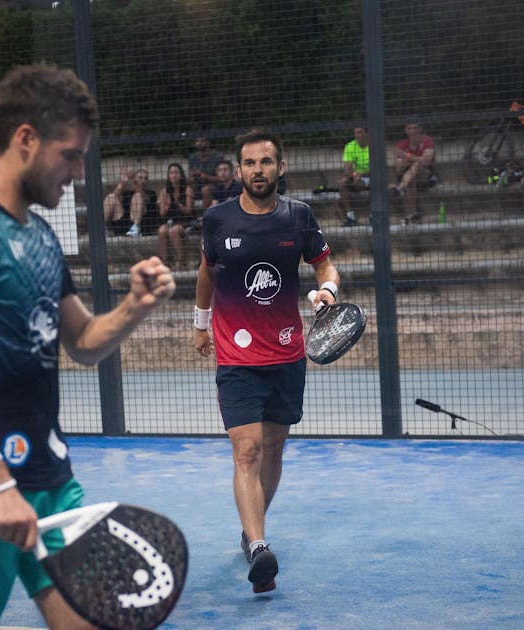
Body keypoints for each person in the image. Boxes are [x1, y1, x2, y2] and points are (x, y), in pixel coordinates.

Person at [0, 63, 175, 630]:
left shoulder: (42, 237)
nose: (78, 172)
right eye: (71, 155)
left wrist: (133, 308)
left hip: (48, 477)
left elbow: (81, 341)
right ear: (25, 139)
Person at [193, 128, 340, 593]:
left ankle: (250, 527)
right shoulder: (217, 220)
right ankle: (259, 547)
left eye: (266, 162)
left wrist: (327, 290)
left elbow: (324, 265)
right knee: (248, 450)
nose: (258, 170)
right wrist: (200, 324)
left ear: (281, 167)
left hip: (286, 353)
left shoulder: (299, 217)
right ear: (238, 171)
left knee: (274, 449)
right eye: (250, 163)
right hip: (236, 358)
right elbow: (205, 271)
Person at [392, 122, 437, 222]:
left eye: (415, 128)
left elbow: (426, 161)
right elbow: (399, 168)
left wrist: (407, 156)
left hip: (426, 175)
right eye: (409, 128)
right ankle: (412, 215)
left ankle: (399, 189)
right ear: (406, 130)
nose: (412, 131)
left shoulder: (428, 141)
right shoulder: (402, 144)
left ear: (420, 129)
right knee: (411, 181)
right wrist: (417, 159)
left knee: (417, 165)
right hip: (407, 177)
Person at [103, 164, 160, 237]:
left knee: (137, 197)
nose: (143, 180)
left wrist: (134, 179)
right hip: (123, 223)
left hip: (142, 226)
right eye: (140, 177)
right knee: (111, 197)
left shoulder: (151, 193)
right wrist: (122, 182)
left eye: (145, 178)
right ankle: (101, 228)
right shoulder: (127, 192)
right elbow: (115, 196)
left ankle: (136, 228)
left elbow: (142, 195)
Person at [157, 162, 195, 268]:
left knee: (173, 230)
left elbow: (189, 211)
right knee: (162, 230)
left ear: (181, 175)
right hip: (170, 220)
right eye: (171, 173)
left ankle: (181, 260)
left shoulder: (188, 189)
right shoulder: (164, 192)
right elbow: (162, 213)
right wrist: (167, 205)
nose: (174, 175)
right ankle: (164, 262)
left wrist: (177, 204)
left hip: (186, 221)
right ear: (168, 176)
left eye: (176, 172)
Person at [338, 126, 370, 227]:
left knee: (377, 183)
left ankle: (374, 215)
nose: (357, 135)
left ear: (366, 133)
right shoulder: (350, 146)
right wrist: (355, 175)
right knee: (342, 182)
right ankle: (350, 217)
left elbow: (378, 167)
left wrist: (362, 174)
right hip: (355, 177)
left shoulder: (374, 145)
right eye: (355, 133)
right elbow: (348, 167)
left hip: (372, 177)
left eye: (360, 132)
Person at [188, 136, 225, 208]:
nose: (199, 143)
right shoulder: (192, 158)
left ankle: (205, 215)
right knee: (188, 189)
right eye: (197, 141)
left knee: (206, 189)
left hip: (214, 185)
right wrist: (192, 177)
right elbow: (189, 179)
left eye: (202, 141)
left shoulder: (217, 157)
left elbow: (221, 178)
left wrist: (206, 177)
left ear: (208, 143)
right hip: (197, 185)